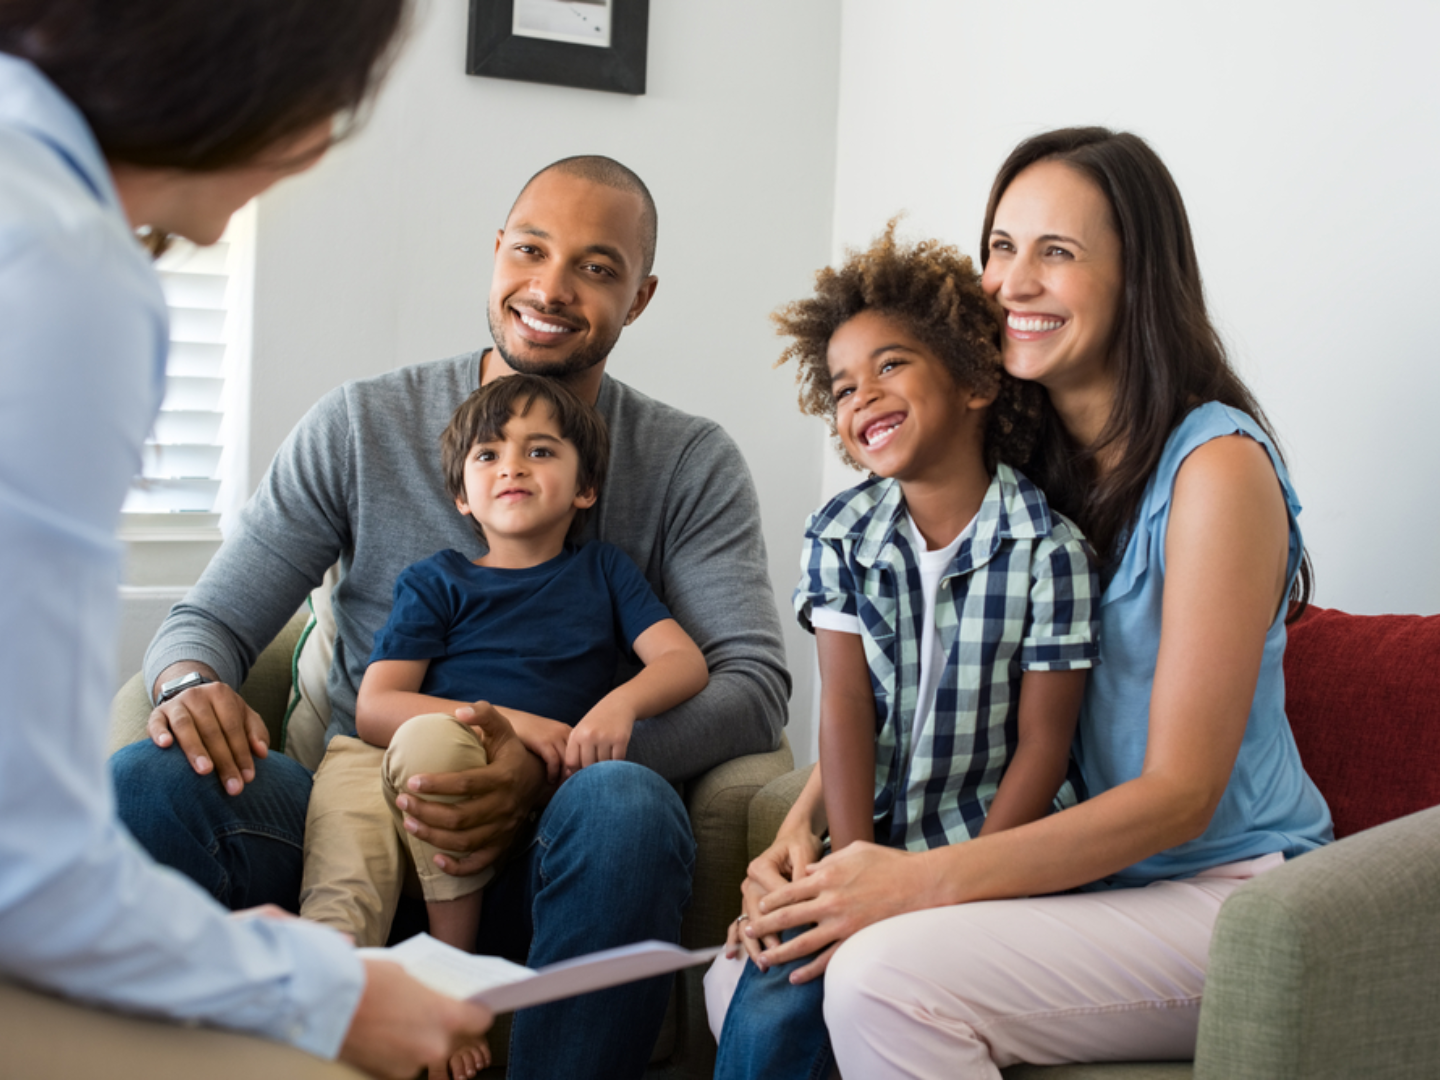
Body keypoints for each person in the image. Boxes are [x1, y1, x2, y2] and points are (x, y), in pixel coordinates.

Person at [110, 154, 790, 1077]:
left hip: (568, 852)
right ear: (496, 253)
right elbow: (211, 623)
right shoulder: (362, 425)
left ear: (640, 297)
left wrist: (547, 766)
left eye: (596, 267)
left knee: (624, 803)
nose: (549, 288)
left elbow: (750, 686)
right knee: (150, 781)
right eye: (530, 250)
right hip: (356, 816)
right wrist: (190, 685)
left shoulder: (686, 462)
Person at [723, 127, 1334, 1078]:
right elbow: (917, 683)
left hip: (1230, 892)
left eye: (1058, 252)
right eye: (1001, 248)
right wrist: (814, 837)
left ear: (1138, 279)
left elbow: (1182, 795)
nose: (1012, 283)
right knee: (751, 976)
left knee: (879, 974)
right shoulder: (1017, 468)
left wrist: (914, 885)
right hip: (1081, 881)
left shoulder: (1217, 469)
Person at [0, 1, 493, 1077]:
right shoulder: (67, 270)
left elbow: (730, 679)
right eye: (335, 104)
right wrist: (316, 987)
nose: (321, 147)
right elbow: (26, 867)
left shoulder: (672, 472)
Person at [705, 224, 1101, 1077]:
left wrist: (965, 883)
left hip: (1004, 848)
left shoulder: (1049, 549)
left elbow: (1045, 745)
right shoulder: (840, 535)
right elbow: (845, 708)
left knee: (806, 994)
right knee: (769, 977)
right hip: (876, 842)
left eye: (891, 365)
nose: (864, 397)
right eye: (844, 386)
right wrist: (851, 873)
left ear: (975, 379)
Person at [306, 373, 709, 1080]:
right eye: (488, 455)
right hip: (407, 765)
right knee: (386, 809)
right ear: (462, 496)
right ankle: (351, 1013)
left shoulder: (605, 573)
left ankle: (452, 988)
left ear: (586, 489)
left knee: (455, 752)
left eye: (541, 451)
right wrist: (520, 724)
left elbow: (682, 661)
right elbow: (377, 705)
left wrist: (619, 705)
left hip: (527, 823)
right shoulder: (438, 580)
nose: (512, 466)